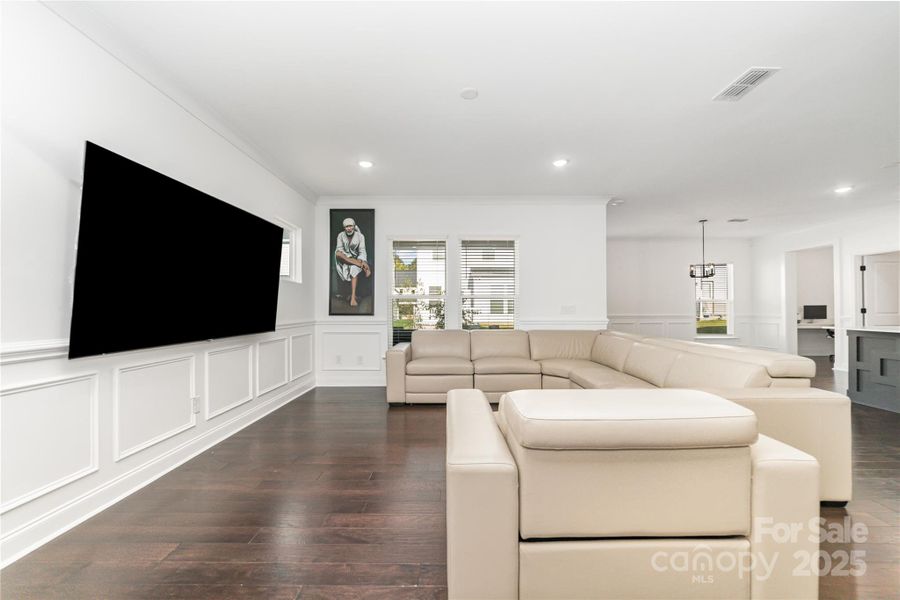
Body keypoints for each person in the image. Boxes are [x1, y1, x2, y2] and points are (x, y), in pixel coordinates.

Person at [334, 217, 371, 306]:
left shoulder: (360, 236)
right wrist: (350, 258)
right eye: (347, 227)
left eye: (350, 226)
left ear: (354, 226)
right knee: (338, 253)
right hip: (343, 258)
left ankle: (353, 298)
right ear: (344, 228)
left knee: (354, 268)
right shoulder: (340, 235)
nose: (349, 228)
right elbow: (339, 249)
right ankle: (361, 265)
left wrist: (360, 260)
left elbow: (362, 250)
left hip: (357, 258)